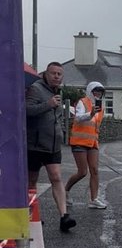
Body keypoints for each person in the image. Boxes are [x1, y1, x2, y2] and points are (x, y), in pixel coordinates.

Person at [26, 60, 76, 233]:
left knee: (56, 177)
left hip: (53, 145)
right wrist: (48, 105)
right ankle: (30, 216)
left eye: (59, 74)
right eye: (53, 73)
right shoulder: (36, 89)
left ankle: (64, 216)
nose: (56, 76)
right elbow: (26, 110)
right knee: (31, 181)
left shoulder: (58, 92)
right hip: (35, 145)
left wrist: (61, 131)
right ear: (46, 74)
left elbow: (58, 117)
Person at [65, 82, 107, 208]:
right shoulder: (82, 102)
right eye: (96, 91)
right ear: (90, 91)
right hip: (79, 142)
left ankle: (93, 199)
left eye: (100, 92)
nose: (98, 94)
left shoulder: (101, 108)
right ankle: (65, 190)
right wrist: (91, 113)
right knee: (82, 172)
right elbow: (77, 118)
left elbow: (95, 126)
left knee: (94, 170)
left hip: (93, 142)